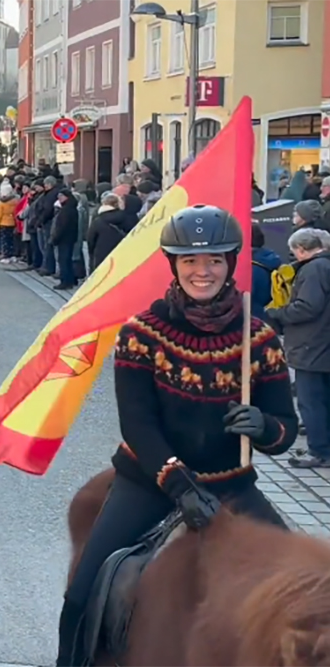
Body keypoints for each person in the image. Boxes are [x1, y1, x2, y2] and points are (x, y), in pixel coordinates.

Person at [55, 205, 300, 667]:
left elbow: (285, 427)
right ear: (173, 265)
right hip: (148, 485)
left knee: (302, 595)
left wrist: (266, 427)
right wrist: (178, 484)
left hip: (231, 486)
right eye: (190, 261)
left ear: (230, 263)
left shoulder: (260, 338)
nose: (201, 271)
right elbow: (138, 424)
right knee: (82, 595)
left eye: (213, 260)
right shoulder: (141, 333)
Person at [267, 228, 330, 469]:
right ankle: (324, 446)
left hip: (311, 344)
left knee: (310, 400)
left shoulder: (314, 269)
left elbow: (307, 306)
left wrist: (277, 313)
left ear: (302, 250)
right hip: (323, 342)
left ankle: (319, 451)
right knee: (323, 398)